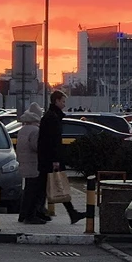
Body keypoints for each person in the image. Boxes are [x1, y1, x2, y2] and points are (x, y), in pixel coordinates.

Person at [37, 90, 86, 224]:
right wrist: (55, 160)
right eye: (63, 101)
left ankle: (70, 212)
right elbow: (52, 141)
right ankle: (37, 212)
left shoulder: (52, 116)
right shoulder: (52, 117)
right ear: (57, 101)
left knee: (51, 185)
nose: (64, 104)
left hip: (47, 159)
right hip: (50, 160)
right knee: (53, 185)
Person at [17, 103, 45, 224]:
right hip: (34, 164)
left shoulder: (23, 129)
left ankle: (22, 214)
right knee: (33, 192)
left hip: (24, 163)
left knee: (28, 190)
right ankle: (30, 216)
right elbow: (36, 146)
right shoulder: (35, 130)